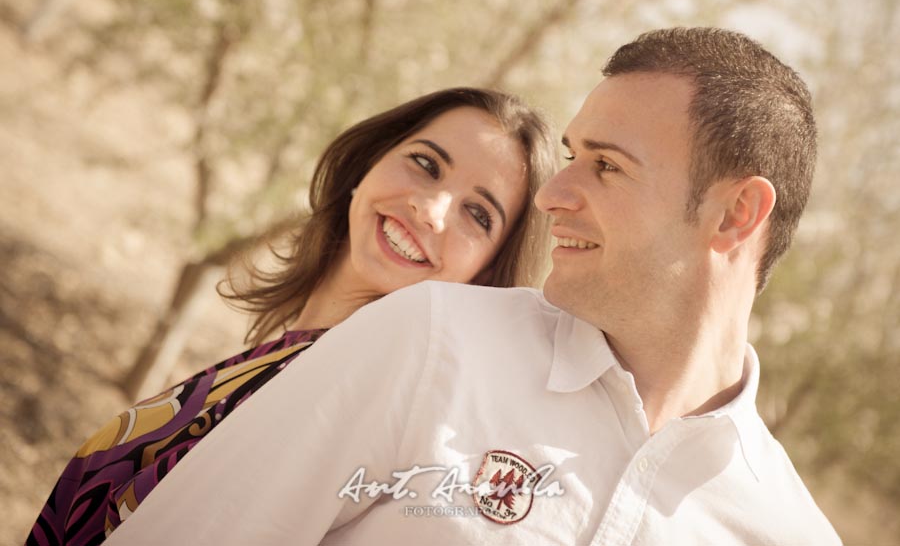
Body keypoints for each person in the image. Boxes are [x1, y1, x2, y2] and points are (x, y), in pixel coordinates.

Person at [103, 28, 842, 545]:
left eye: (608, 166)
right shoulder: (431, 341)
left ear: (736, 213)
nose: (555, 196)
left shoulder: (789, 532)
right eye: (572, 156)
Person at [26, 87, 558, 546]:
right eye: (425, 163)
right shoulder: (288, 356)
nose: (430, 207)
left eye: (477, 214)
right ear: (370, 163)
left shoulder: (368, 413)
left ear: (487, 276)